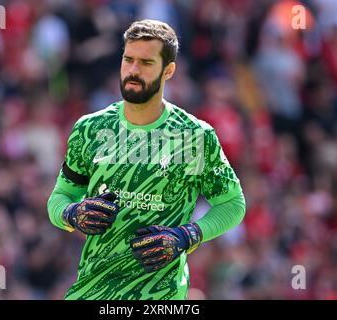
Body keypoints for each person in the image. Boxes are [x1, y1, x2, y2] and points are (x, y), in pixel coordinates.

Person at [47, 19, 246, 300]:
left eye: (146, 62)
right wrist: (72, 214)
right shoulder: (89, 129)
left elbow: (232, 204)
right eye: (128, 59)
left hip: (161, 296)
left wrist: (186, 236)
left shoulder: (195, 136)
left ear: (169, 71)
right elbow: (60, 197)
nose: (133, 70)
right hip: (93, 290)